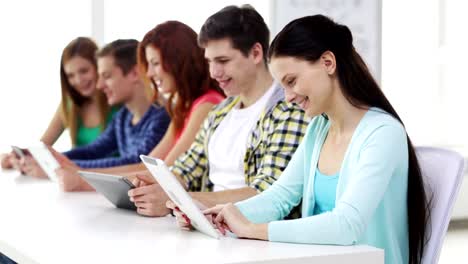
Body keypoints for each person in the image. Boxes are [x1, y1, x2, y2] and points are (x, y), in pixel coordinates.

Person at [172, 15, 430, 264]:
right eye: (282, 85)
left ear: (328, 62)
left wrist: (252, 228)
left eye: (291, 81)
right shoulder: (319, 128)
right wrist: (224, 215)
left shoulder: (383, 133)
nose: (288, 97)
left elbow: (346, 225)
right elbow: (280, 197)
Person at [128, 5, 308, 217]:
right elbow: (186, 169)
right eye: (210, 62)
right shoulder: (220, 112)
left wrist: (180, 200)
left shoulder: (290, 111)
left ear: (256, 53)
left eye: (223, 61)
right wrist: (159, 183)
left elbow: (267, 194)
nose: (214, 72)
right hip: (210, 226)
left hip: (253, 238)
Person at [81, 20, 225, 178]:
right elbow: (149, 165)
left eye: (155, 63)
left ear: (178, 61)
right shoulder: (184, 107)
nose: (149, 74)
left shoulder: (207, 105)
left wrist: (81, 178)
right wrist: (84, 175)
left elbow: (166, 170)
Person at [32, 39, 171, 189]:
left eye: (107, 76)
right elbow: (94, 150)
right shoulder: (124, 116)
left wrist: (69, 167)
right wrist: (56, 159)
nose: (100, 85)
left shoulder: (161, 117)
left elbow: (133, 163)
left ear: (135, 73)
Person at [0, 37, 117, 171]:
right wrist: (16, 157)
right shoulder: (70, 105)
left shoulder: (117, 103)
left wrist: (59, 164)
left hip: (107, 176)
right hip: (77, 181)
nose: (78, 80)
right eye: (71, 75)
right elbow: (43, 146)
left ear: (99, 67)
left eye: (84, 71)